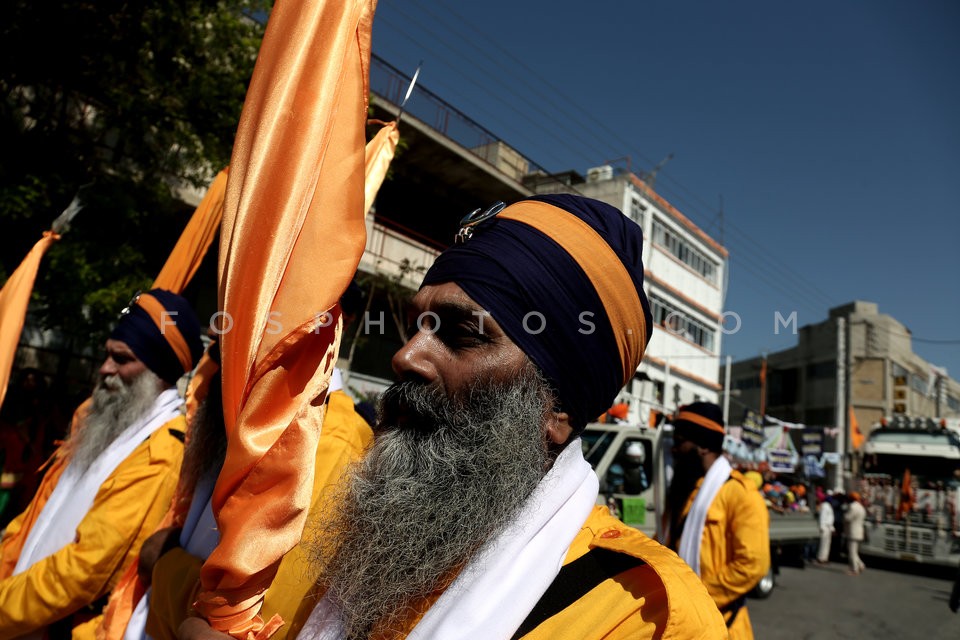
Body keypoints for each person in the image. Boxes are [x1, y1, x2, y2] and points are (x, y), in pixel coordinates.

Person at [183, 194, 726, 639]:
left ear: (556, 406)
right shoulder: (372, 534)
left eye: (462, 333)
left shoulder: (643, 612)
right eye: (417, 325)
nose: (405, 357)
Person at [0, 289, 204, 638]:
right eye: (107, 355)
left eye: (122, 359)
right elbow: (39, 514)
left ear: (157, 371)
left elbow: (85, 569)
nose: (105, 368)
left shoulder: (162, 453)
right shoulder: (99, 421)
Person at [663, 401, 770, 639]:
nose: (674, 449)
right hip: (682, 622)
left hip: (723, 627)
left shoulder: (741, 495)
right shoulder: (689, 490)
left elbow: (752, 564)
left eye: (680, 441)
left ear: (702, 446)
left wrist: (698, 597)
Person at [844, 491, 867, 575]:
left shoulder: (852, 507)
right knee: (854, 551)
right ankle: (861, 565)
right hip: (859, 531)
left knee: (852, 552)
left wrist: (844, 516)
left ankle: (854, 569)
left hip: (852, 532)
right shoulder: (861, 507)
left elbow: (848, 518)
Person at [816, 494, 835, 565]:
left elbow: (830, 518)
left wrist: (832, 528)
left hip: (828, 527)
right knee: (823, 544)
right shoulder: (825, 506)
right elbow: (822, 517)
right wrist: (822, 526)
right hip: (825, 527)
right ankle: (821, 558)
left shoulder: (828, 506)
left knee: (827, 544)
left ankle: (825, 558)